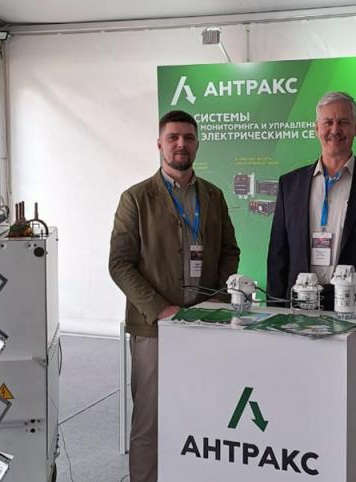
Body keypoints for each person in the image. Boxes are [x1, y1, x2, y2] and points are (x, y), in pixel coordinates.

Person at [267, 91, 356, 481]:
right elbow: (278, 256)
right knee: (302, 402)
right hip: (301, 313)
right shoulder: (291, 183)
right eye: (328, 122)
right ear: (316, 128)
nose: (335, 129)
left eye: (343, 122)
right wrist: (276, 319)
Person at [109, 110, 240, 482]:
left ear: (197, 144)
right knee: (149, 420)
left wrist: (217, 301)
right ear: (159, 144)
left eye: (188, 137)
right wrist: (160, 309)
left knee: (202, 414)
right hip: (155, 328)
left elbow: (229, 250)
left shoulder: (212, 195)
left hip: (204, 325)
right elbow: (119, 263)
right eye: (173, 137)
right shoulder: (136, 198)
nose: (181, 144)